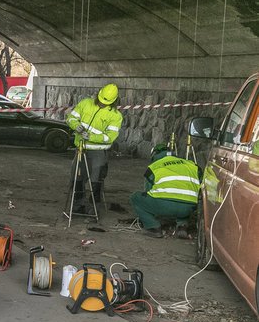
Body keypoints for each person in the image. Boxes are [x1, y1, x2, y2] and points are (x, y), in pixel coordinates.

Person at [65, 83, 124, 214]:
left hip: (98, 152)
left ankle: (95, 207)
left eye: (106, 103)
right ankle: (77, 205)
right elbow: (71, 118)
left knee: (96, 180)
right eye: (101, 100)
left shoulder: (115, 116)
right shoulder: (86, 103)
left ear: (113, 101)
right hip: (81, 149)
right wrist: (76, 126)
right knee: (77, 178)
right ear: (98, 94)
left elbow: (109, 137)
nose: (102, 104)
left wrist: (90, 136)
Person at [130, 144, 202, 238]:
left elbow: (148, 191)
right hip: (189, 207)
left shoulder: (154, 166)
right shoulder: (191, 165)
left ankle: (153, 227)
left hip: (164, 205)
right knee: (184, 197)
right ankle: (182, 226)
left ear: (154, 155)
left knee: (135, 197)